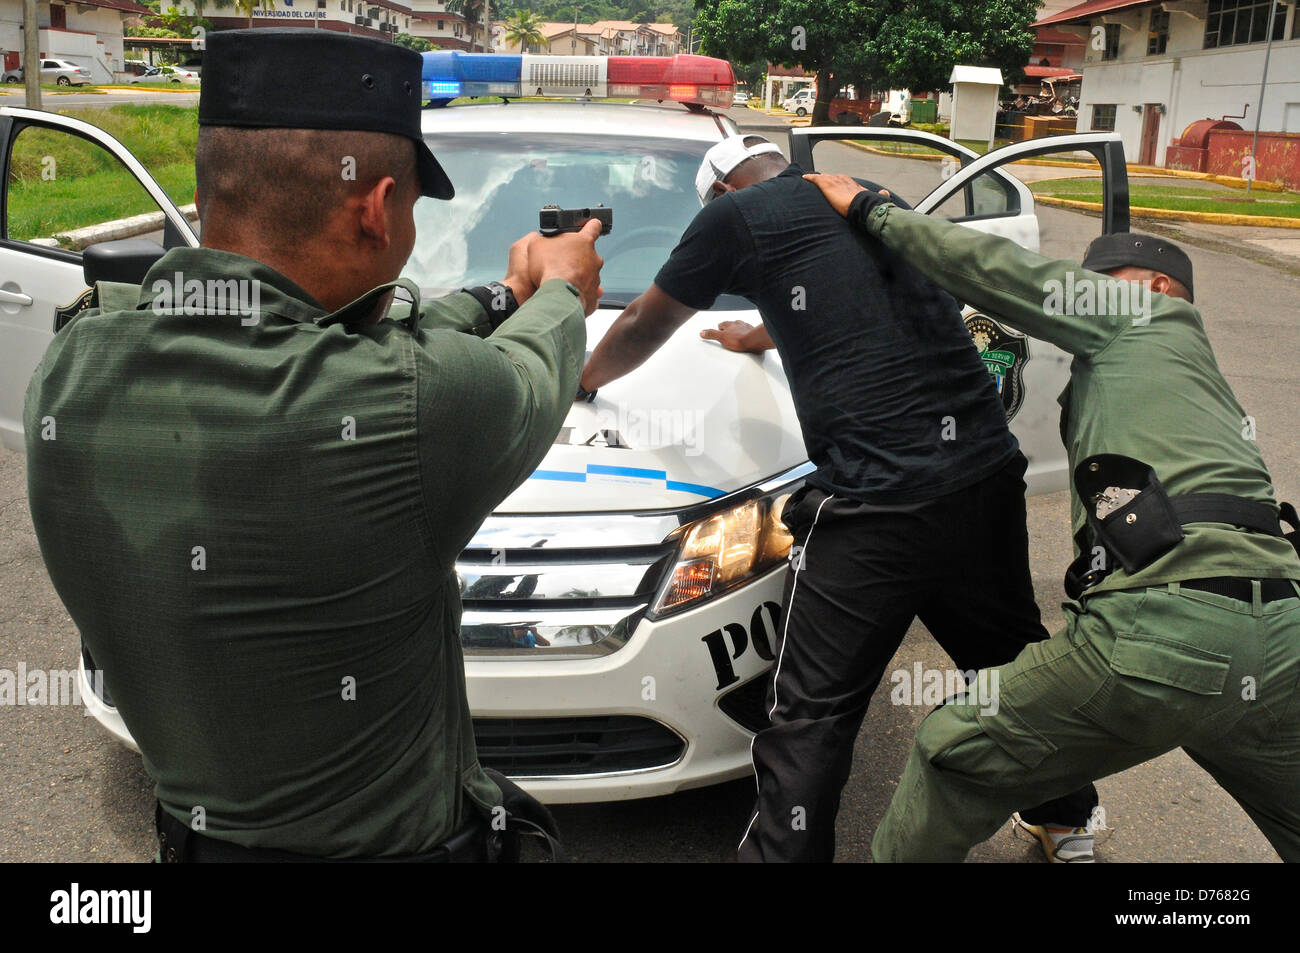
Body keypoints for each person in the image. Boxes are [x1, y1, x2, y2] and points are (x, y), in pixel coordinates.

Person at [24, 28, 603, 861]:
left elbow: (341, 336)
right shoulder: (416, 404)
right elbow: (520, 373)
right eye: (408, 207)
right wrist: (560, 289)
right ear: (373, 208)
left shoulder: (70, 369)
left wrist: (497, 292)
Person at [579, 135, 1100, 863]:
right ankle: (1068, 818)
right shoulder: (855, 192)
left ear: (724, 192)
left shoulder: (734, 218)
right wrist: (758, 332)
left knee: (811, 714)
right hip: (982, 469)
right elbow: (848, 291)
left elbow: (642, 323)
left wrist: (582, 381)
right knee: (1007, 659)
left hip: (876, 502)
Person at [805, 172, 1300, 862]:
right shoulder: (1187, 373)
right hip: (1282, 635)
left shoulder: (1142, 315)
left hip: (1169, 631)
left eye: (1100, 280)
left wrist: (873, 211)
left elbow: (998, 269)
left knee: (954, 749)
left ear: (1156, 287)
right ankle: (1061, 817)